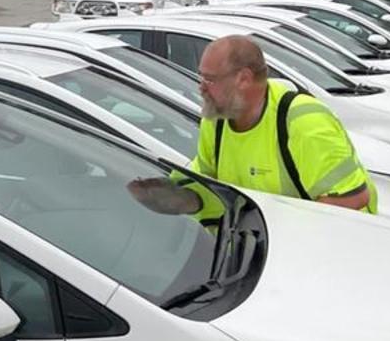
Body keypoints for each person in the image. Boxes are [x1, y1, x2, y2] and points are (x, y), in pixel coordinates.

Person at [129, 34, 375, 215]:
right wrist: (174, 194)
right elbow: (205, 178)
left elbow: (351, 198)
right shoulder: (217, 121)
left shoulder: (302, 121)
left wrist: (278, 238)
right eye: (201, 77)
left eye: (210, 79)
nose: (201, 86)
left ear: (243, 79)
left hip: (332, 256)